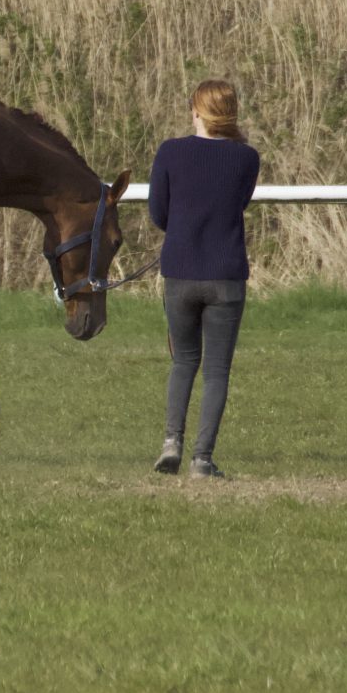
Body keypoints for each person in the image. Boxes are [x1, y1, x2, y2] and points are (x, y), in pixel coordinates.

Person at [146, 79, 261, 479]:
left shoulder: (170, 152)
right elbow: (238, 204)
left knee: (183, 362)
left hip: (180, 271)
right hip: (226, 275)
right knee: (216, 371)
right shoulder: (246, 158)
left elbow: (158, 212)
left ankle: (170, 442)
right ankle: (202, 459)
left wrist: (182, 227)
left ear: (196, 110)